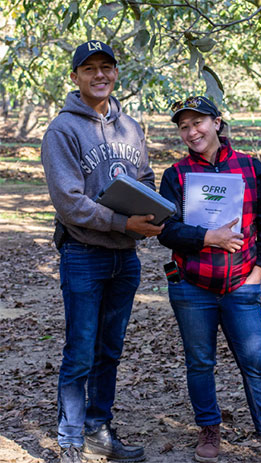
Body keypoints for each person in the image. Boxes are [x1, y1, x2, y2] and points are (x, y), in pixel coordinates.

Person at [158, 95, 261, 463]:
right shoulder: (176, 175)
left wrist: (258, 274)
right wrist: (208, 238)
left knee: (256, 362)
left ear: (217, 123)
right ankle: (209, 428)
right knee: (200, 362)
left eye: (198, 123)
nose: (191, 132)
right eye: (183, 126)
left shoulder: (251, 168)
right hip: (192, 285)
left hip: (241, 285)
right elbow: (166, 231)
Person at [41, 40, 163, 463]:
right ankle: (70, 439)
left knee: (109, 350)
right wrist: (121, 222)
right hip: (84, 254)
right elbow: (69, 202)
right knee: (80, 349)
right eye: (89, 68)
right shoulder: (62, 130)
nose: (99, 75)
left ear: (115, 73)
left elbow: (144, 177)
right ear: (75, 77)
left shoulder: (131, 127)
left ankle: (98, 430)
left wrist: (152, 213)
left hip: (125, 258)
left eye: (106, 67)